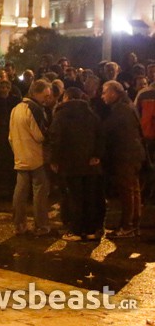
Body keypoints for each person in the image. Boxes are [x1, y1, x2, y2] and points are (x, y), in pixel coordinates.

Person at [48, 87, 105, 241]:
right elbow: (100, 135)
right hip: (90, 164)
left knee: (74, 197)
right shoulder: (91, 114)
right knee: (90, 196)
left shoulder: (61, 115)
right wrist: (96, 155)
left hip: (70, 163)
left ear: (66, 98)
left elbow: (55, 139)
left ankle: (76, 230)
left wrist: (53, 159)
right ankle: (91, 229)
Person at [101, 80, 146, 238]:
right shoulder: (126, 106)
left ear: (113, 92)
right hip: (133, 154)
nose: (102, 96)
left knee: (127, 191)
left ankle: (127, 225)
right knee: (133, 189)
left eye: (104, 92)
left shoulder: (121, 110)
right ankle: (133, 223)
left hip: (125, 155)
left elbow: (108, 130)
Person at [9, 79, 52, 236]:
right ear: (36, 93)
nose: (47, 99)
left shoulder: (16, 109)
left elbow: (10, 136)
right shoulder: (34, 108)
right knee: (40, 192)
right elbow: (40, 135)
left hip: (20, 155)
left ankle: (19, 224)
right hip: (36, 157)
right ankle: (41, 225)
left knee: (20, 192)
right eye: (45, 95)